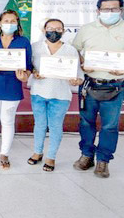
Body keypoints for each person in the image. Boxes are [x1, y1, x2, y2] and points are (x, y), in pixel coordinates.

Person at [71, 0, 124, 178]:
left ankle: (103, 160)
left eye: (114, 9)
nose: (110, 12)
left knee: (110, 126)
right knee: (86, 123)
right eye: (106, 9)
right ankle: (86, 155)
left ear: (121, 10)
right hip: (89, 85)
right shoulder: (87, 29)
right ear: (98, 11)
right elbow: (74, 50)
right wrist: (82, 63)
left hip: (115, 87)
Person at [0, 10, 32, 169]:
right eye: (6, 21)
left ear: (17, 23)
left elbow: (28, 65)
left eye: (13, 21)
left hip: (12, 85)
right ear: (0, 23)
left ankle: (4, 153)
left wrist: (25, 76)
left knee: (8, 120)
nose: (9, 24)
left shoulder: (23, 41)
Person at [28, 18, 83, 171]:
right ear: (43, 30)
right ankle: (37, 152)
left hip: (61, 95)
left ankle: (51, 157)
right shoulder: (35, 47)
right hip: (38, 92)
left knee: (55, 126)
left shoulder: (70, 50)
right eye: (50, 28)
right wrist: (34, 72)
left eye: (58, 29)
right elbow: (29, 66)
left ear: (64, 31)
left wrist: (76, 81)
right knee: (39, 124)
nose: (54, 31)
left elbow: (79, 74)